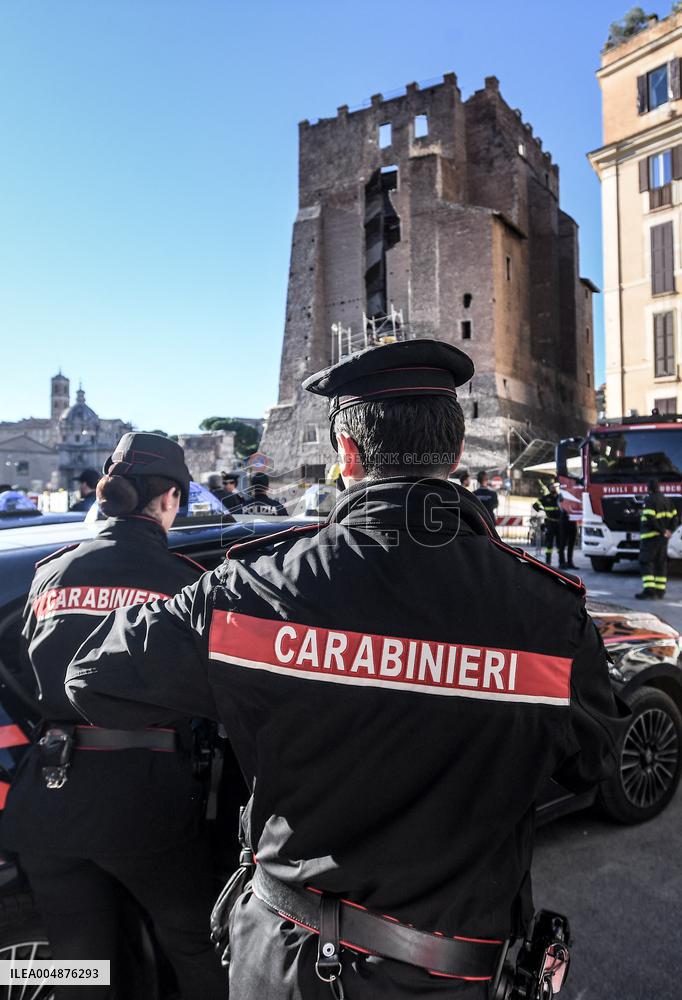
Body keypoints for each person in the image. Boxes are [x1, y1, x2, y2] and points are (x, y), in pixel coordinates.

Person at [65, 341, 625, 1000]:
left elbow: (92, 678)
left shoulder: (248, 593)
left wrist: (240, 696)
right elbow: (594, 762)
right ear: (453, 451)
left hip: (282, 964)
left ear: (348, 456)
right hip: (453, 976)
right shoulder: (547, 614)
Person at [2, 433, 226, 1000]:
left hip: (45, 802)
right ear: (172, 499)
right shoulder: (184, 581)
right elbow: (212, 688)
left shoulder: (50, 572)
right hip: (141, 803)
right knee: (202, 945)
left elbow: (34, 671)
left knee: (78, 967)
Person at [636, 478, 678, 599]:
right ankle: (660, 591)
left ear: (648, 489)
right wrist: (669, 531)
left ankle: (649, 591)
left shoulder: (649, 500)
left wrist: (662, 530)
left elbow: (650, 518)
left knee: (645, 562)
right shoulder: (668, 501)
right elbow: (675, 518)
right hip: (663, 539)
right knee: (661, 563)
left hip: (650, 538)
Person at [532, 480, 562, 566]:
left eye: (555, 487)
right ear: (549, 489)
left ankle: (561, 562)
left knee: (560, 544)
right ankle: (548, 562)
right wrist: (542, 510)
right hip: (550, 523)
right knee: (549, 543)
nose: (554, 489)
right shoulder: (545, 498)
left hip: (559, 524)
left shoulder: (560, 497)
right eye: (552, 487)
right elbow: (535, 505)